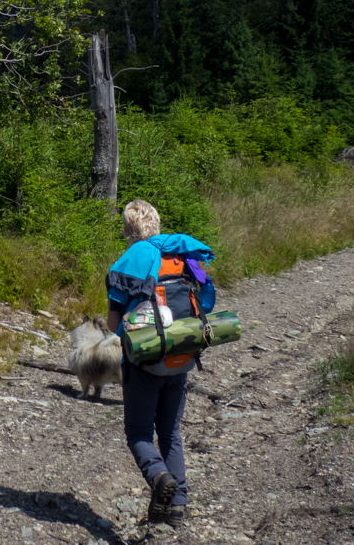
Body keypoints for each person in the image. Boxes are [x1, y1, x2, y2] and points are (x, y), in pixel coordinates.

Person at [104, 199, 215, 527]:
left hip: (145, 363)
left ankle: (159, 477)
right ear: (156, 223)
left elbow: (113, 325)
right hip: (182, 357)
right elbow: (207, 298)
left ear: (128, 229)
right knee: (170, 431)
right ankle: (176, 505)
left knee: (138, 432)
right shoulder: (180, 256)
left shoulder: (133, 260)